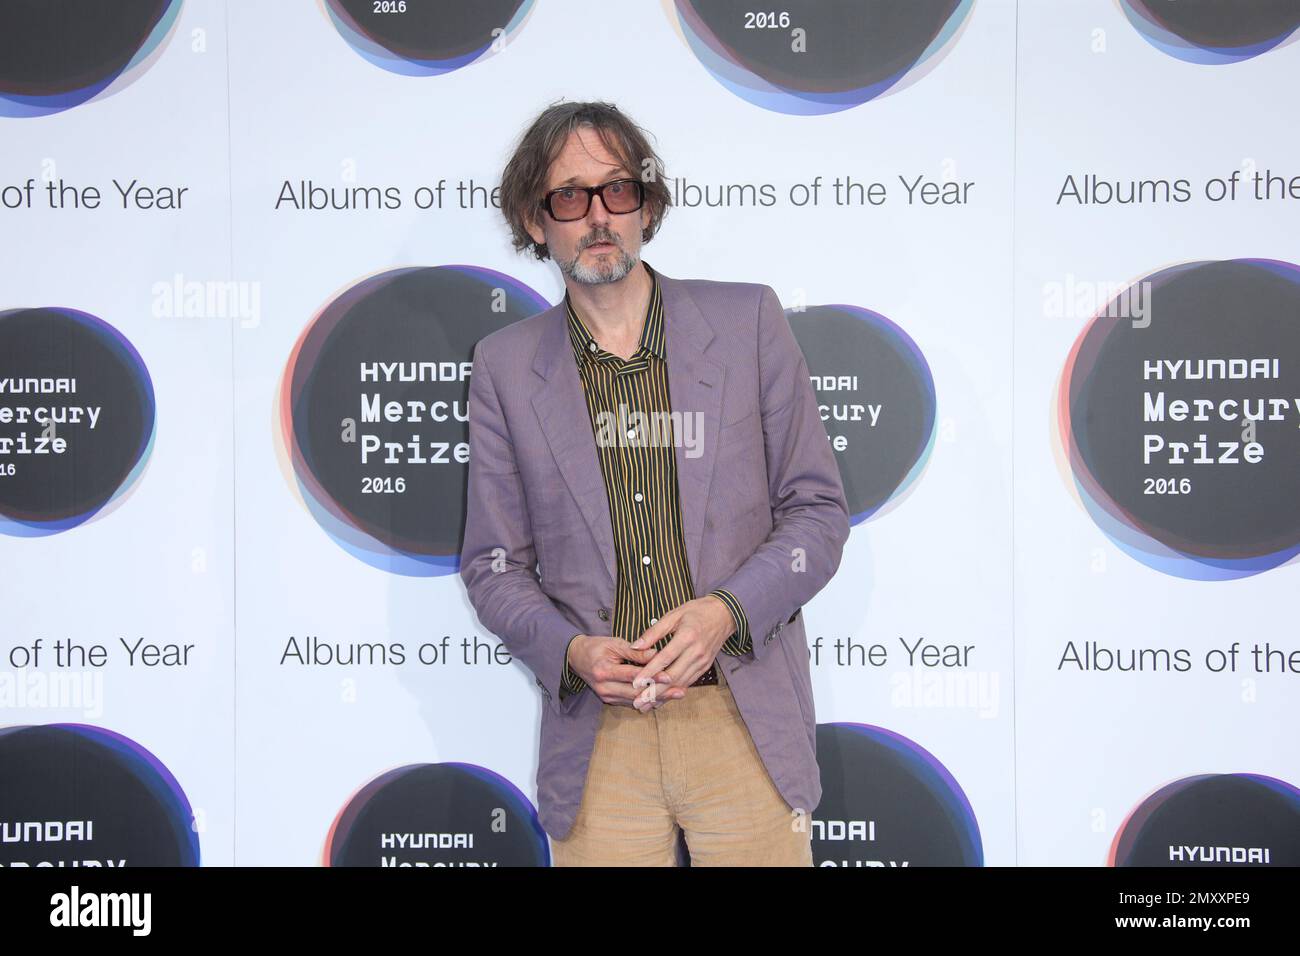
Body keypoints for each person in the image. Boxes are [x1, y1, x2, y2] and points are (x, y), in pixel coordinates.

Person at [459, 100, 850, 866]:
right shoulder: (505, 367)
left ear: (646, 205)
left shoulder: (748, 323)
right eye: (570, 197)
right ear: (537, 223)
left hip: (742, 721)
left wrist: (723, 613)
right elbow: (493, 564)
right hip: (600, 747)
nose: (598, 216)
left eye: (618, 190)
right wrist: (572, 651)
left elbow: (817, 512)